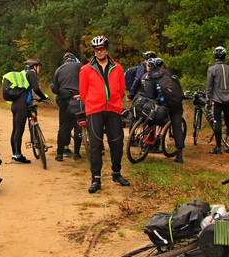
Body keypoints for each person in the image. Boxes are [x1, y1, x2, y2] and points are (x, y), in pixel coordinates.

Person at [79, 35, 129, 193]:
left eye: (101, 49)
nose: (99, 52)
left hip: (113, 109)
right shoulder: (86, 69)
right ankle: (96, 179)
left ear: (106, 50)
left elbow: (121, 89)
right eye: (96, 49)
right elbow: (83, 92)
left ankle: (116, 173)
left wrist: (114, 101)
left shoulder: (118, 68)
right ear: (93, 51)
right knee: (95, 144)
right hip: (95, 110)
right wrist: (93, 102)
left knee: (117, 142)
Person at [141, 58, 186, 163]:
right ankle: (179, 154)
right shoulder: (172, 75)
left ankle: (148, 144)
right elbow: (180, 91)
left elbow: (151, 95)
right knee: (177, 127)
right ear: (163, 65)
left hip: (163, 105)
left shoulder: (153, 76)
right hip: (176, 105)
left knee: (153, 120)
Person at [6, 59, 49, 163]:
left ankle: (17, 153)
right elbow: (36, 89)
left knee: (16, 129)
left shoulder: (23, 74)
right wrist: (44, 97)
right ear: (34, 66)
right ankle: (17, 156)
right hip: (22, 106)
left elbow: (27, 91)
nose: (39, 69)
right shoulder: (31, 73)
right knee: (18, 131)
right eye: (39, 67)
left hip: (16, 105)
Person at [51, 52, 83, 161]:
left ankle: (59, 154)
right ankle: (77, 154)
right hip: (77, 98)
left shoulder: (59, 69)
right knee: (78, 125)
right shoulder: (81, 66)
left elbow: (55, 89)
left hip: (64, 99)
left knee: (64, 126)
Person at [206, 46, 229, 154]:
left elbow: (209, 87)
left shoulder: (212, 69)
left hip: (217, 100)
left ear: (215, 56)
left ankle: (218, 147)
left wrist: (208, 100)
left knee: (217, 122)